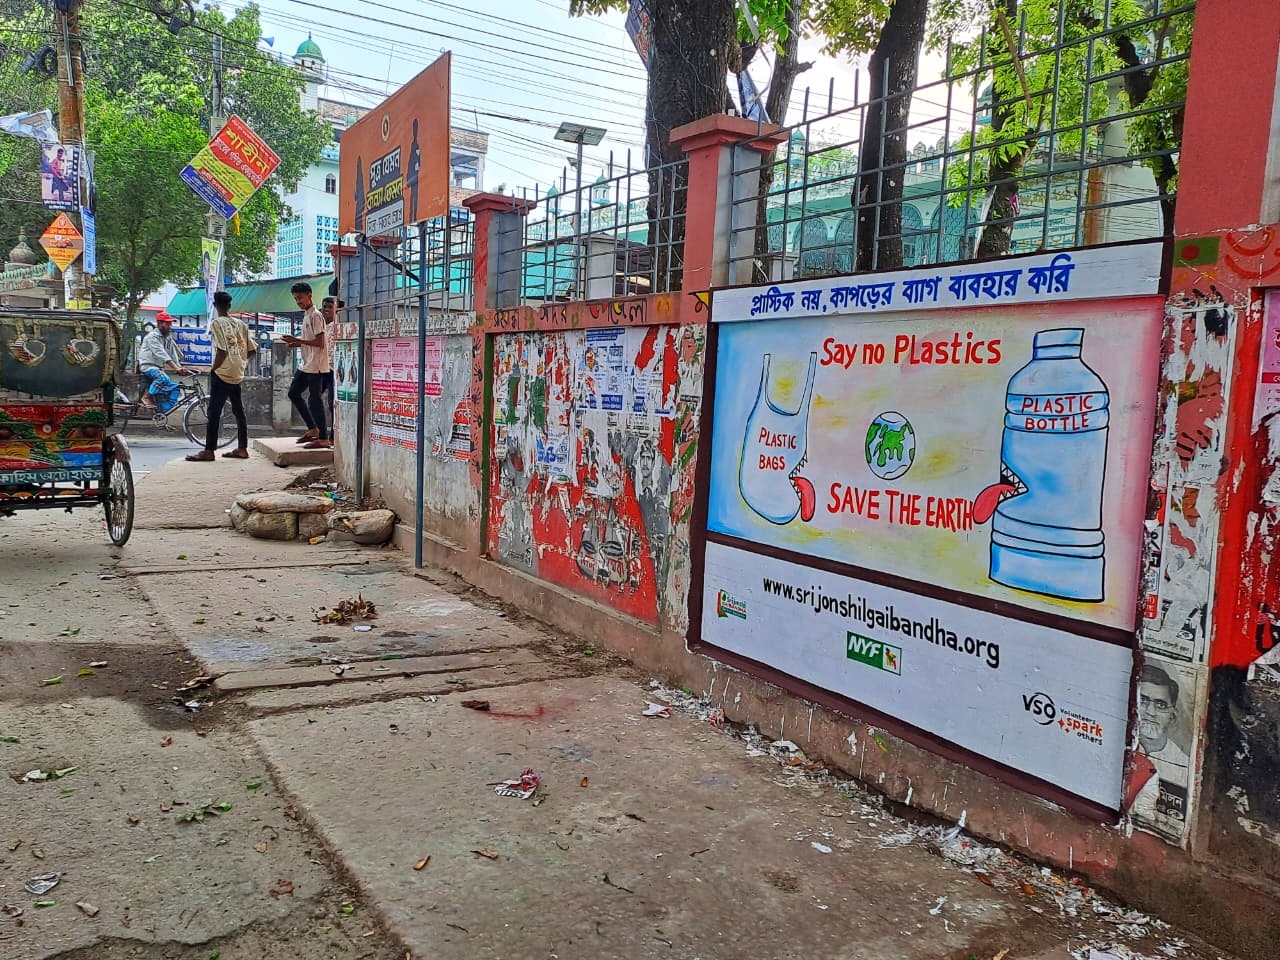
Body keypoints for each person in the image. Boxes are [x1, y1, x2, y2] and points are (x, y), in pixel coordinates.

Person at [186, 291, 255, 462]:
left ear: (215, 305)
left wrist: (213, 369)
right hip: (237, 372)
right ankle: (242, 448)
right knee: (239, 411)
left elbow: (222, 351)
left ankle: (209, 450)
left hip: (223, 372)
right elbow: (252, 350)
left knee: (214, 412)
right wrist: (239, 361)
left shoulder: (217, 323)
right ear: (229, 305)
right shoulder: (241, 324)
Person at [1129, 663, 1191, 831]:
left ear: (1173, 715)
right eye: (1143, 701)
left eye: (1161, 705)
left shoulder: (1183, 766)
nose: (1150, 712)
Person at [283, 281, 330, 444]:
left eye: (300, 298)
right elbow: (311, 340)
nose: (298, 301)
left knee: (314, 399)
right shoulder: (307, 314)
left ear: (310, 295)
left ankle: (323, 437)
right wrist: (296, 343)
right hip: (307, 363)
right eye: (296, 299)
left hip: (316, 365)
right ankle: (313, 428)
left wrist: (297, 339)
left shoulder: (316, 315)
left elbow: (320, 342)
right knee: (294, 393)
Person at [136, 312, 193, 414]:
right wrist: (176, 368)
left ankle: (160, 415)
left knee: (176, 388)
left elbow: (173, 354)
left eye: (170, 324)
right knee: (163, 378)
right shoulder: (152, 337)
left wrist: (180, 368)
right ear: (159, 323)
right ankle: (146, 397)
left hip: (159, 369)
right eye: (167, 324)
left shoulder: (168, 338)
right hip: (148, 366)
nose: (169, 326)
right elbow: (161, 353)